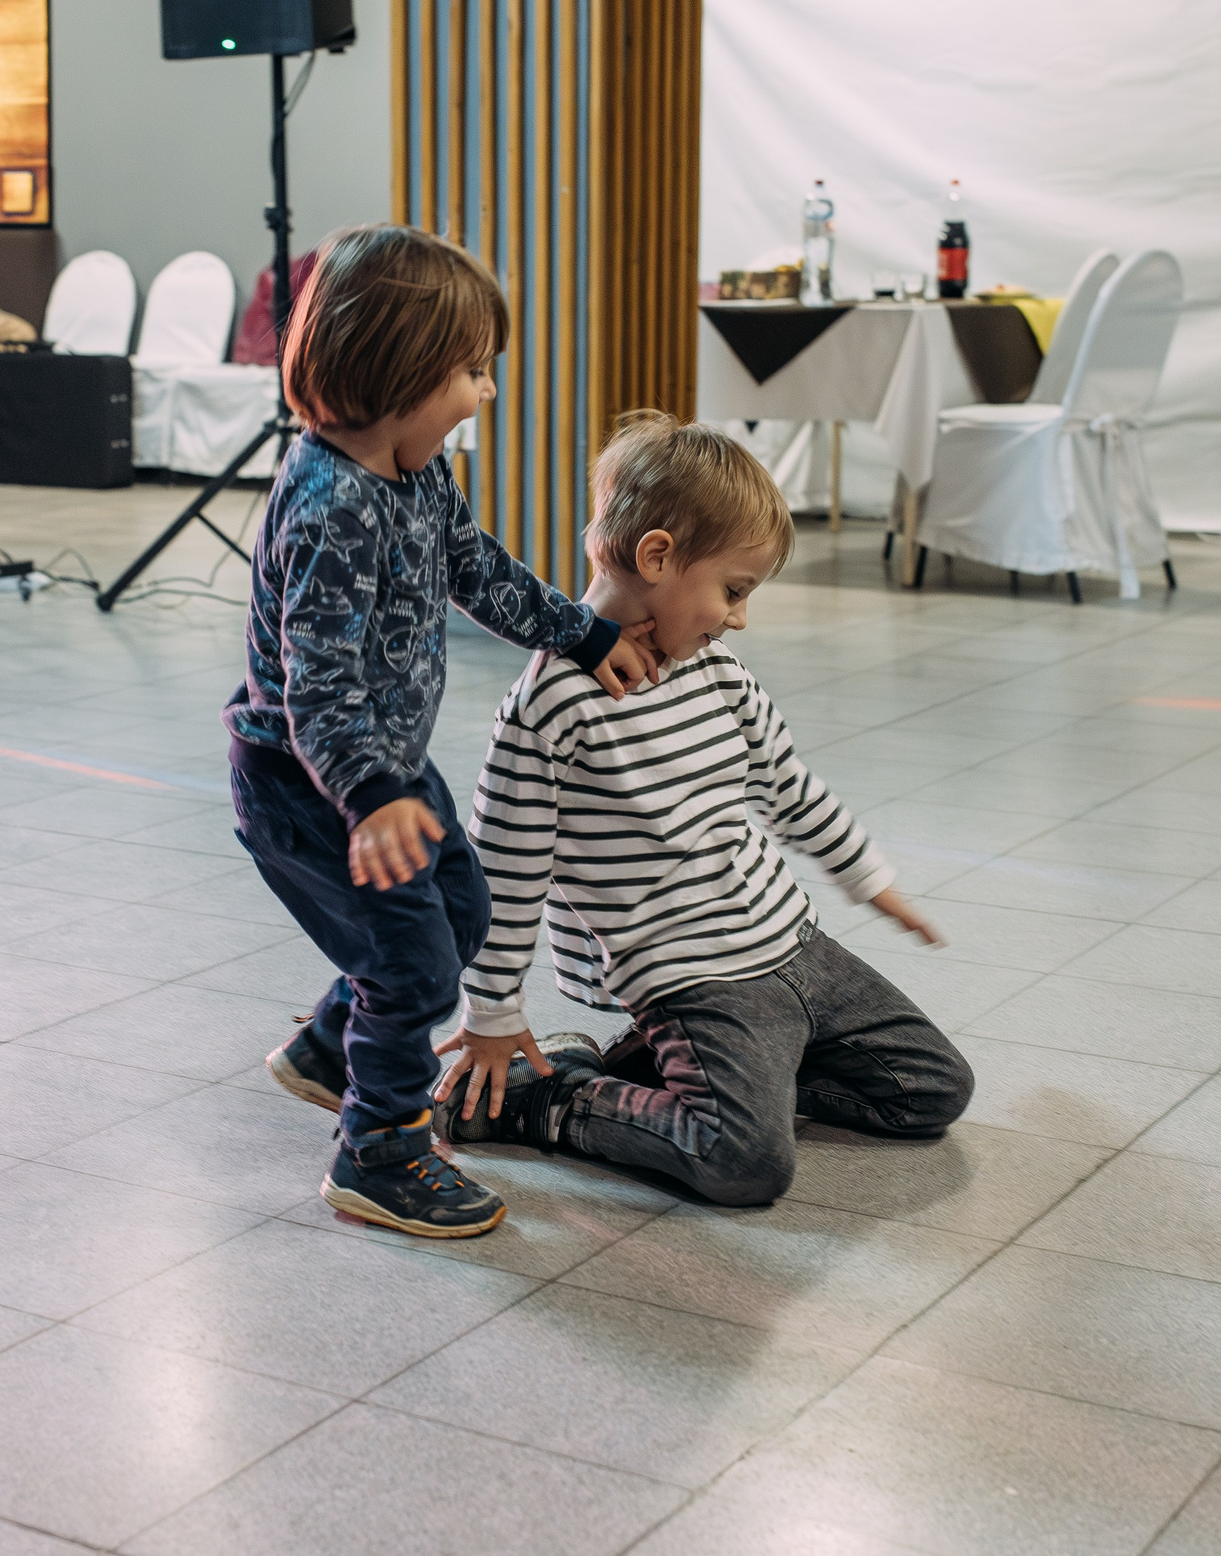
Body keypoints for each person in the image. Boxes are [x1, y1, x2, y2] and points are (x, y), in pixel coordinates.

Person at [236, 223, 661, 1240]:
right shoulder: (330, 507)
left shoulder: (413, 474)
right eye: (471, 371)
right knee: (416, 967)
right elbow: (318, 686)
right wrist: (371, 796)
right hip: (315, 785)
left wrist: (581, 632)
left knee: (462, 915)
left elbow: (475, 568)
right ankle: (377, 1151)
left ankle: (330, 1048)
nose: (486, 392)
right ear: (397, 373)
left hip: (382, 769)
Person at [434, 411, 973, 1206]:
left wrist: (870, 880)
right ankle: (549, 1098)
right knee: (743, 1162)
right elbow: (504, 877)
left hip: (791, 941)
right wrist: (492, 1011)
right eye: (734, 590)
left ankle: (705, 1077)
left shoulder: (719, 672)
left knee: (931, 1087)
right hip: (692, 976)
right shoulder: (551, 703)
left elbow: (789, 787)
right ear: (657, 556)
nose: (739, 616)